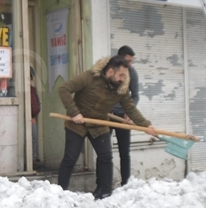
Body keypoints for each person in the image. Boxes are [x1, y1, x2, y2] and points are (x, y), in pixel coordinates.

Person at [58, 55, 158, 199]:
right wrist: (74, 113)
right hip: (77, 123)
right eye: (121, 75)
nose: (123, 79)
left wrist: (146, 125)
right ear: (110, 72)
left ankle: (104, 191)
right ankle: (59, 192)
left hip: (99, 124)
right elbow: (64, 89)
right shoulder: (89, 78)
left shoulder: (120, 89)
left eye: (125, 76)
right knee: (70, 157)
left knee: (105, 157)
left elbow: (130, 109)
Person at [111, 46, 140, 187]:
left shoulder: (132, 73)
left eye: (132, 61)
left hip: (123, 117)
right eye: (128, 61)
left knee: (124, 152)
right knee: (104, 153)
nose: (130, 64)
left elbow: (135, 96)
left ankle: (126, 184)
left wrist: (129, 111)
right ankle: (104, 185)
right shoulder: (110, 71)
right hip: (107, 115)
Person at [30, 67, 42, 169]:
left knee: (33, 138)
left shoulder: (32, 90)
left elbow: (36, 104)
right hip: (25, 118)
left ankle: (33, 159)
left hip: (32, 118)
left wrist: (33, 114)